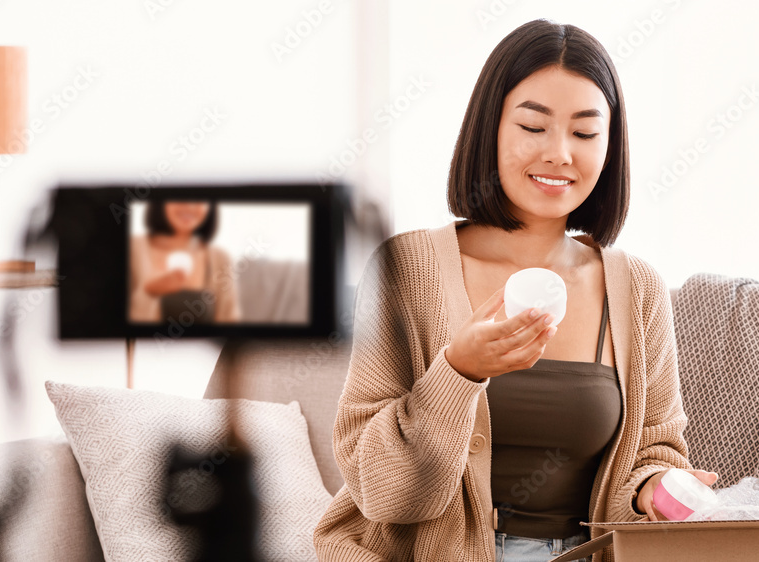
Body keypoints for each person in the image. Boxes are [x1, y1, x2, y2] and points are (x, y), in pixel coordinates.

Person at [313, 19, 716, 562]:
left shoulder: (637, 288)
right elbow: (384, 492)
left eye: (585, 133)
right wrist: (458, 372)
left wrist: (653, 488)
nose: (560, 153)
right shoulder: (405, 270)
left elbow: (652, 451)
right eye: (533, 126)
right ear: (490, 129)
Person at [129, 200, 241, 324]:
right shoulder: (132, 248)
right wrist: (150, 293)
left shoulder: (220, 258)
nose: (189, 206)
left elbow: (229, 322)